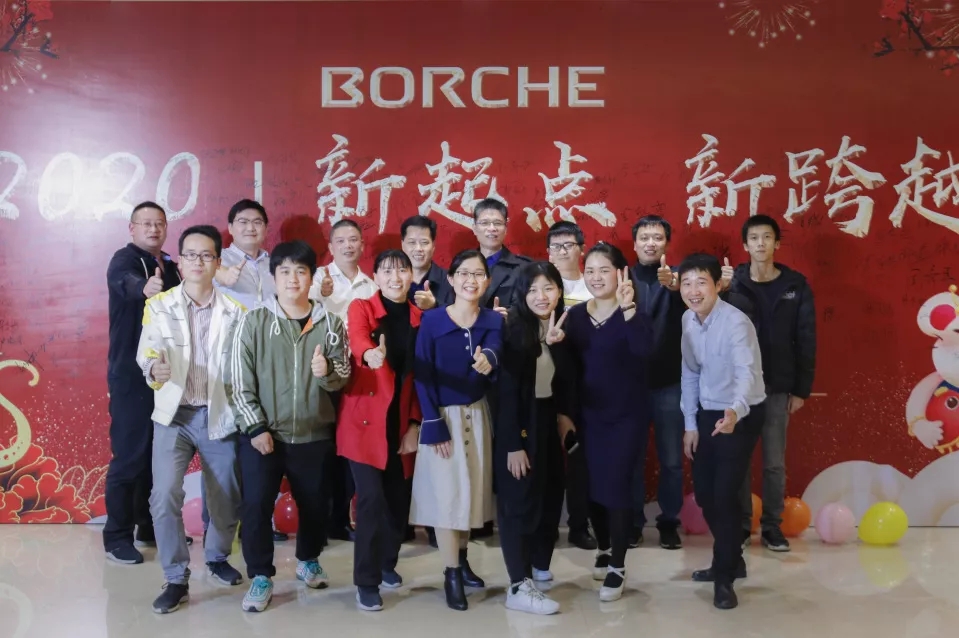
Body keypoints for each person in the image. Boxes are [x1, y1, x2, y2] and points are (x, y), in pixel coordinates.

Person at [229, 240, 351, 613]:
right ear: (274, 277)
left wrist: (327, 372)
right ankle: (261, 575)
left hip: (314, 434)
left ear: (312, 277)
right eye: (285, 271)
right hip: (264, 435)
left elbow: (344, 373)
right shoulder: (253, 321)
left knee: (315, 505)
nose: (293, 279)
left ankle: (308, 559)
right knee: (255, 506)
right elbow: (238, 381)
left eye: (301, 271)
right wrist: (255, 428)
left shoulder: (330, 323)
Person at [137, 225, 245, 614]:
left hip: (218, 413)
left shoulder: (237, 313)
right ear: (180, 262)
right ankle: (175, 577)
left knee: (227, 493)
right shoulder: (158, 306)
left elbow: (243, 366)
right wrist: (154, 369)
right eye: (190, 255)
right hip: (174, 416)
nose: (198, 262)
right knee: (164, 494)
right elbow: (147, 352)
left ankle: (216, 557)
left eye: (206, 255)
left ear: (218, 262)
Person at [410, 249, 502, 611]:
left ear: (487, 281)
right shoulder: (432, 321)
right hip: (442, 418)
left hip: (477, 416)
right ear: (450, 279)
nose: (470, 280)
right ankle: (450, 573)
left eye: (478, 274)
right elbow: (422, 375)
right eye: (463, 273)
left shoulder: (493, 320)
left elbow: (496, 348)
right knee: (447, 498)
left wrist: (491, 357)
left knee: (469, 494)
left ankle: (462, 562)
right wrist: (432, 424)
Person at [563, 243, 652, 602]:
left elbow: (644, 353)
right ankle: (603, 546)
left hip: (626, 416)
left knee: (616, 487)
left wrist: (629, 311)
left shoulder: (635, 313)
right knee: (589, 488)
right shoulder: (575, 317)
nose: (596, 277)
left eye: (604, 270)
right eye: (590, 270)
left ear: (620, 273)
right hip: (587, 416)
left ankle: (618, 564)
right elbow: (566, 370)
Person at [678, 253, 766, 610]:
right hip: (708, 411)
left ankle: (724, 577)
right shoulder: (687, 319)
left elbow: (748, 373)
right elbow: (690, 372)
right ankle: (732, 558)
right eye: (686, 283)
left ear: (718, 285)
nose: (693, 291)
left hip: (742, 412)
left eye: (701, 282)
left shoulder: (736, 323)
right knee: (705, 495)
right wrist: (690, 424)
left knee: (725, 495)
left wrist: (734, 411)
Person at [338, 250, 423, 611]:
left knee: (397, 502)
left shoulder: (421, 317)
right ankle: (366, 580)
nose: (395, 278)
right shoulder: (363, 307)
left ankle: (387, 562)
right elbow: (358, 338)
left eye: (402, 270)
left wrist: (415, 424)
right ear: (375, 277)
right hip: (363, 422)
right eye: (387, 271)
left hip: (399, 423)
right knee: (370, 500)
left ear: (411, 276)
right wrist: (369, 353)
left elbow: (421, 379)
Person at [103, 201, 185, 564]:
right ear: (132, 228)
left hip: (166, 375)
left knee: (157, 454)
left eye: (159, 224)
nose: (153, 229)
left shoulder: (171, 266)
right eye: (146, 223)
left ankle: (148, 526)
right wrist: (144, 287)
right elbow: (127, 283)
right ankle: (116, 536)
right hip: (131, 376)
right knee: (130, 455)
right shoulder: (123, 260)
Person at [729, 215, 816, 552]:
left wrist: (801, 389)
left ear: (777, 243)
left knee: (774, 463)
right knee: (738, 460)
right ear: (745, 245)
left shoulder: (795, 285)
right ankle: (740, 525)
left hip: (777, 386)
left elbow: (806, 337)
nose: (761, 243)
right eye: (754, 238)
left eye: (767, 237)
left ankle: (772, 527)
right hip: (738, 387)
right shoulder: (732, 283)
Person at [495, 262, 575, 616]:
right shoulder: (513, 329)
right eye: (532, 290)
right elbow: (507, 393)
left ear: (559, 291)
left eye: (548, 288)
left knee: (549, 493)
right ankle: (517, 583)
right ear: (521, 295)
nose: (541, 297)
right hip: (518, 421)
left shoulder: (563, 326)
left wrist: (558, 346)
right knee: (519, 501)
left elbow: (567, 380)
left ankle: (540, 564)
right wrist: (513, 444)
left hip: (547, 418)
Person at [212, 199, 287, 543]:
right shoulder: (215, 262)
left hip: (268, 366)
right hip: (226, 366)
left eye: (257, 222)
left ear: (266, 228)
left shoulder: (276, 265)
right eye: (242, 221)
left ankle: (260, 524)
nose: (250, 228)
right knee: (223, 454)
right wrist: (217, 276)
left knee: (262, 445)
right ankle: (219, 533)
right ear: (230, 227)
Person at [309, 218, 376, 542]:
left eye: (353, 240)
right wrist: (319, 296)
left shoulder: (371, 286)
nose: (348, 245)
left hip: (358, 377)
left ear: (362, 245)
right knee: (321, 450)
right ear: (331, 247)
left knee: (350, 449)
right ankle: (319, 523)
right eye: (341, 240)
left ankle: (340, 519)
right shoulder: (317, 279)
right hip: (323, 374)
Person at [627, 215, 687, 550]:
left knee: (672, 460)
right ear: (635, 243)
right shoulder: (621, 276)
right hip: (631, 385)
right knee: (632, 458)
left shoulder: (680, 279)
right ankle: (633, 522)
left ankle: (669, 522)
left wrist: (676, 288)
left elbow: (700, 310)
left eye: (658, 237)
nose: (651, 243)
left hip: (670, 384)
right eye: (645, 237)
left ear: (667, 243)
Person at [545, 221, 596, 551]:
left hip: (586, 384)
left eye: (569, 245)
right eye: (556, 246)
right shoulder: (542, 286)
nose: (562, 251)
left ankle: (579, 525)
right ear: (548, 252)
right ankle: (548, 525)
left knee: (581, 459)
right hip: (547, 383)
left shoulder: (594, 284)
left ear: (581, 249)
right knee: (547, 459)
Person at [473, 198, 531, 313]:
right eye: (485, 223)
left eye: (497, 223)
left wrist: (509, 317)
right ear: (474, 228)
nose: (492, 228)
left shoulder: (524, 268)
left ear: (505, 229)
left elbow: (528, 310)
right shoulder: (462, 267)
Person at [401, 215, 454, 310]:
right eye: (412, 242)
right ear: (403, 245)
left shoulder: (451, 281)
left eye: (424, 242)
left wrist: (434, 305)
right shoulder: (393, 280)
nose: (418, 249)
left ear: (433, 246)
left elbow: (463, 316)